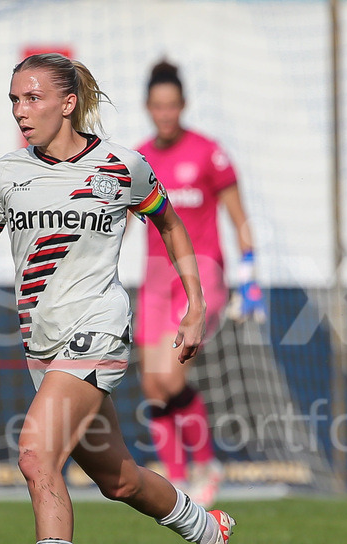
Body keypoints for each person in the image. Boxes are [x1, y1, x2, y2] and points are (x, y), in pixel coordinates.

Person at [0, 53, 236, 544]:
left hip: (100, 330)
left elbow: (169, 224)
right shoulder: (5, 174)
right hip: (43, 345)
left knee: (36, 456)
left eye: (32, 98)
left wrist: (194, 305)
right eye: (13, 100)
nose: (20, 110)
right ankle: (205, 527)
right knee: (121, 482)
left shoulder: (121, 166)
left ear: (68, 103)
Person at [136, 60, 265, 506]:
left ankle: (206, 463)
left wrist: (249, 275)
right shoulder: (138, 159)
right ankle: (176, 481)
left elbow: (239, 218)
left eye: (172, 106)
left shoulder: (209, 153)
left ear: (183, 106)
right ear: (148, 108)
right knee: (151, 384)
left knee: (170, 377)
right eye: (158, 106)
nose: (165, 114)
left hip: (201, 273)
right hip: (154, 276)